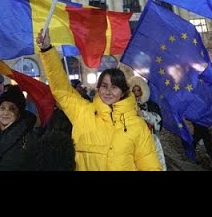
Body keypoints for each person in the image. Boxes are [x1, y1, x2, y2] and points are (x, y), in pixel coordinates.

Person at [37, 30, 161, 171]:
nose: (108, 91)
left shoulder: (137, 125)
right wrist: (47, 50)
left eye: (114, 87)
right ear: (98, 88)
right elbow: (62, 90)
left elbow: (150, 165)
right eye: (104, 86)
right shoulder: (82, 112)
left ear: (123, 92)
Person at [128, 75, 166, 170]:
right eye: (134, 90)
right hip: (133, 142)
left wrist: (143, 114)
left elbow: (158, 122)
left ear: (143, 90)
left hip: (150, 140)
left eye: (138, 90)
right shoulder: (127, 106)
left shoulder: (151, 105)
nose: (136, 93)